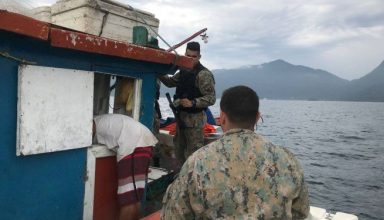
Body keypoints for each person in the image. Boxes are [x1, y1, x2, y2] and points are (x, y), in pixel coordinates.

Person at [161, 86, 310, 219]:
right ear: (257, 118)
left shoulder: (197, 161)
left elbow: (173, 215)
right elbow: (300, 213)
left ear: (223, 118)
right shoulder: (288, 160)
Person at [159, 41, 216, 167]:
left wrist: (193, 102)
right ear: (185, 54)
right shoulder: (183, 71)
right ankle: (180, 179)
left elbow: (211, 98)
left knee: (194, 155)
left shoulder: (204, 74)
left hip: (195, 121)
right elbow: (169, 82)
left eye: (194, 57)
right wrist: (158, 71)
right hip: (181, 118)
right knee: (179, 151)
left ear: (199, 57)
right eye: (188, 56)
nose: (190, 59)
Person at [93, 114, 158, 220]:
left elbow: (88, 133)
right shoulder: (102, 120)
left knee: (128, 199)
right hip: (139, 142)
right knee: (134, 197)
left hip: (134, 145)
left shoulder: (94, 124)